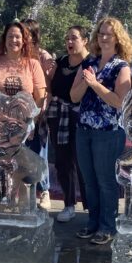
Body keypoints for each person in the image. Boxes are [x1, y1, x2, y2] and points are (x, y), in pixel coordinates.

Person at [70, 17, 132, 245]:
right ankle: (93, 222)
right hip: (84, 130)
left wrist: (95, 84)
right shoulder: (88, 64)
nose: (103, 37)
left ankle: (108, 226)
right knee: (89, 180)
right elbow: (73, 96)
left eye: (108, 34)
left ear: (118, 38)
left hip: (108, 132)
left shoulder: (122, 67)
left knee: (106, 181)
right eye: (101, 33)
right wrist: (86, 82)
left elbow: (119, 102)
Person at [48, 25, 90, 223]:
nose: (70, 42)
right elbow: (49, 85)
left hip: (82, 118)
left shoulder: (91, 63)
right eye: (68, 39)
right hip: (59, 117)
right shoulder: (61, 62)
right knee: (63, 162)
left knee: (85, 162)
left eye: (74, 38)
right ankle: (69, 204)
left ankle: (91, 206)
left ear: (85, 41)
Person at [22, 18, 55, 211]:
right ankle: (27, 191)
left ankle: (44, 191)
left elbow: (49, 87)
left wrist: (39, 112)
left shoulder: (42, 56)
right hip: (20, 113)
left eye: (26, 33)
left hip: (39, 111)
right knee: (23, 154)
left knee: (39, 152)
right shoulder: (19, 55)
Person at [0, 22, 46, 107]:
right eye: (10, 36)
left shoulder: (33, 64)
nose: (13, 40)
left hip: (24, 119)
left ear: (23, 41)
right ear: (5, 39)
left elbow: (40, 98)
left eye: (17, 37)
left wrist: (31, 120)